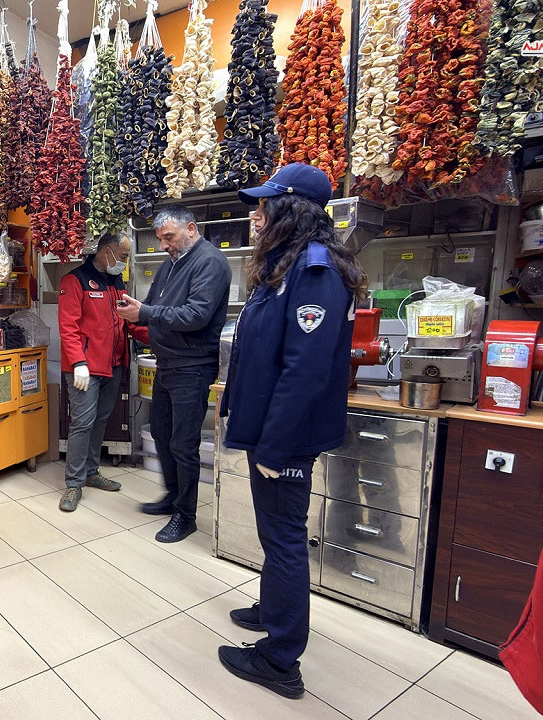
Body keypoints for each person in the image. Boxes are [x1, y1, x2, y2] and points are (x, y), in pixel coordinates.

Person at [216, 163, 367, 699]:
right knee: (274, 531)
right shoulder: (287, 264)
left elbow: (304, 371)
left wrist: (275, 447)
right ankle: (274, 608)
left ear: (291, 209)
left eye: (264, 206)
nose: (255, 215)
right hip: (269, 429)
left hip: (286, 438)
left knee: (283, 538)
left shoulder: (315, 270)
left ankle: (280, 659)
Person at [117, 205, 230, 543]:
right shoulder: (172, 263)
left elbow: (197, 315)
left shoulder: (210, 262)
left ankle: (186, 515)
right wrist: (135, 312)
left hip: (193, 366)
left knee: (183, 442)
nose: (164, 245)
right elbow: (154, 305)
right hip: (166, 362)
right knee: (163, 433)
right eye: (161, 239)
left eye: (169, 237)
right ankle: (172, 496)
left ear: (191, 229)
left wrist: (145, 312)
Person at [56, 233, 149, 511]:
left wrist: (159, 336)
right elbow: (68, 327)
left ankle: (91, 471)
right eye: (123, 256)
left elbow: (128, 322)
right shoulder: (75, 281)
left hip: (113, 364)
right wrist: (78, 363)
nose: (124, 262)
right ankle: (74, 483)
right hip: (85, 368)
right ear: (106, 251)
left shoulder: (116, 282)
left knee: (100, 421)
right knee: (82, 423)